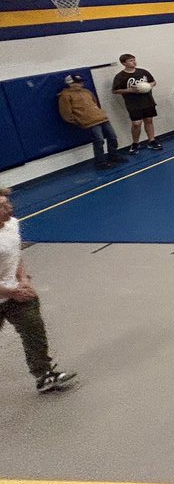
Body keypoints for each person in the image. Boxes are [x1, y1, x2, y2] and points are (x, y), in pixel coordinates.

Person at [0, 187, 78, 393]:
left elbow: (15, 255)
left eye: (8, 202)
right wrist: (10, 292)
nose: (9, 207)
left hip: (16, 292)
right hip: (8, 293)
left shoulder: (12, 225)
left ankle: (44, 375)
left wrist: (23, 279)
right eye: (2, 206)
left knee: (34, 331)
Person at [57, 75, 128, 170]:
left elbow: (94, 103)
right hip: (89, 122)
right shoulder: (65, 96)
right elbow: (66, 112)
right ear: (70, 84)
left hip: (101, 118)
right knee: (99, 141)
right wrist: (79, 120)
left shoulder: (86, 92)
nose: (80, 84)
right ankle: (101, 162)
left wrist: (99, 113)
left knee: (112, 136)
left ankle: (113, 155)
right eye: (77, 82)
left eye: (81, 82)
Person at [111, 54, 162, 153]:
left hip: (147, 101)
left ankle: (152, 141)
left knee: (149, 120)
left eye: (134, 60)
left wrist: (147, 86)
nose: (134, 62)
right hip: (133, 104)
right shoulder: (120, 76)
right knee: (136, 123)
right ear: (124, 63)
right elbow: (115, 91)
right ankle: (135, 143)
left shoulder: (143, 72)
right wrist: (130, 90)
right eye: (130, 60)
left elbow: (153, 82)